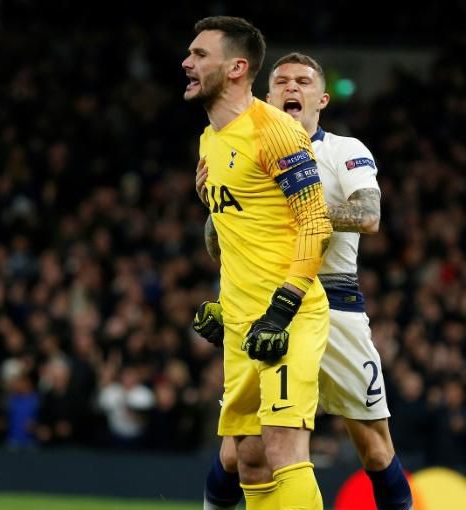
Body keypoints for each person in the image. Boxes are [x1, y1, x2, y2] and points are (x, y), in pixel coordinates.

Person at [194, 53, 414, 510]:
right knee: (238, 452)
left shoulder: (345, 150)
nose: (292, 87)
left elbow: (369, 216)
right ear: (268, 96)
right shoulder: (247, 148)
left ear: (322, 98)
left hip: (334, 303)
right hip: (267, 300)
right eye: (282, 81)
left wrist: (293, 207)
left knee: (374, 449)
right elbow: (220, 245)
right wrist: (214, 204)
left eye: (303, 81)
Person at [182, 18, 333, 510]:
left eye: (201, 55)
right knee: (246, 457)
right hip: (243, 325)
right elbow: (241, 234)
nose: (187, 63)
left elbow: (316, 225)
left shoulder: (277, 132)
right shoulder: (210, 141)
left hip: (288, 317)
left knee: (283, 446)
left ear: (237, 68)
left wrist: (283, 308)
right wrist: (227, 308)